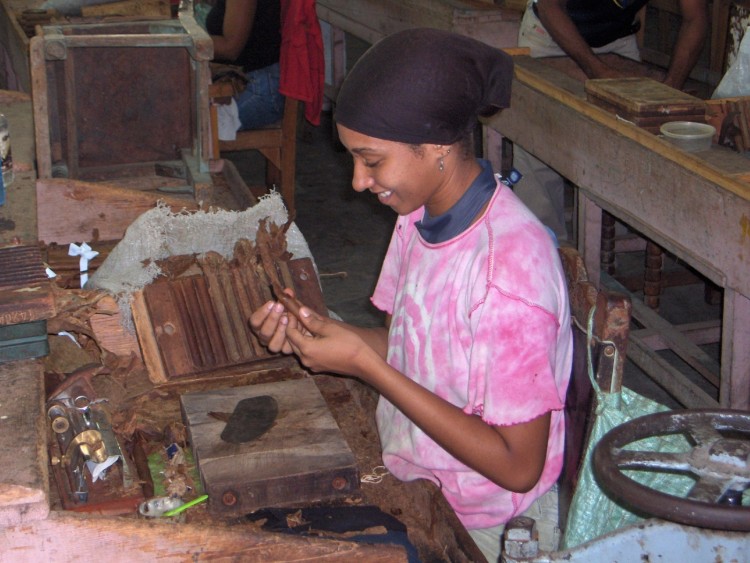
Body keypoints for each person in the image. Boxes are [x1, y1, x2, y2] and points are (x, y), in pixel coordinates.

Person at [249, 28, 573, 561]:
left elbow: (518, 466)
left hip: (483, 523)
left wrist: (363, 366)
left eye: (372, 161)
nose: (357, 181)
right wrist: (320, 336)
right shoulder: (418, 214)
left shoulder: (507, 273)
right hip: (415, 474)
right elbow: (411, 346)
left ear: (437, 147)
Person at [514, 0, 708, 241]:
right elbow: (550, 6)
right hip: (551, 36)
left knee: (625, 147)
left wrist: (671, 89)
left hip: (616, 42)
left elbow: (695, 19)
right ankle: (540, 254)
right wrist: (599, 73)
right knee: (538, 143)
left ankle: (608, 247)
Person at [204, 0, 284, 130]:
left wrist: (183, 42)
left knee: (182, 124)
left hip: (259, 90)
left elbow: (229, 48)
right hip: (245, 80)